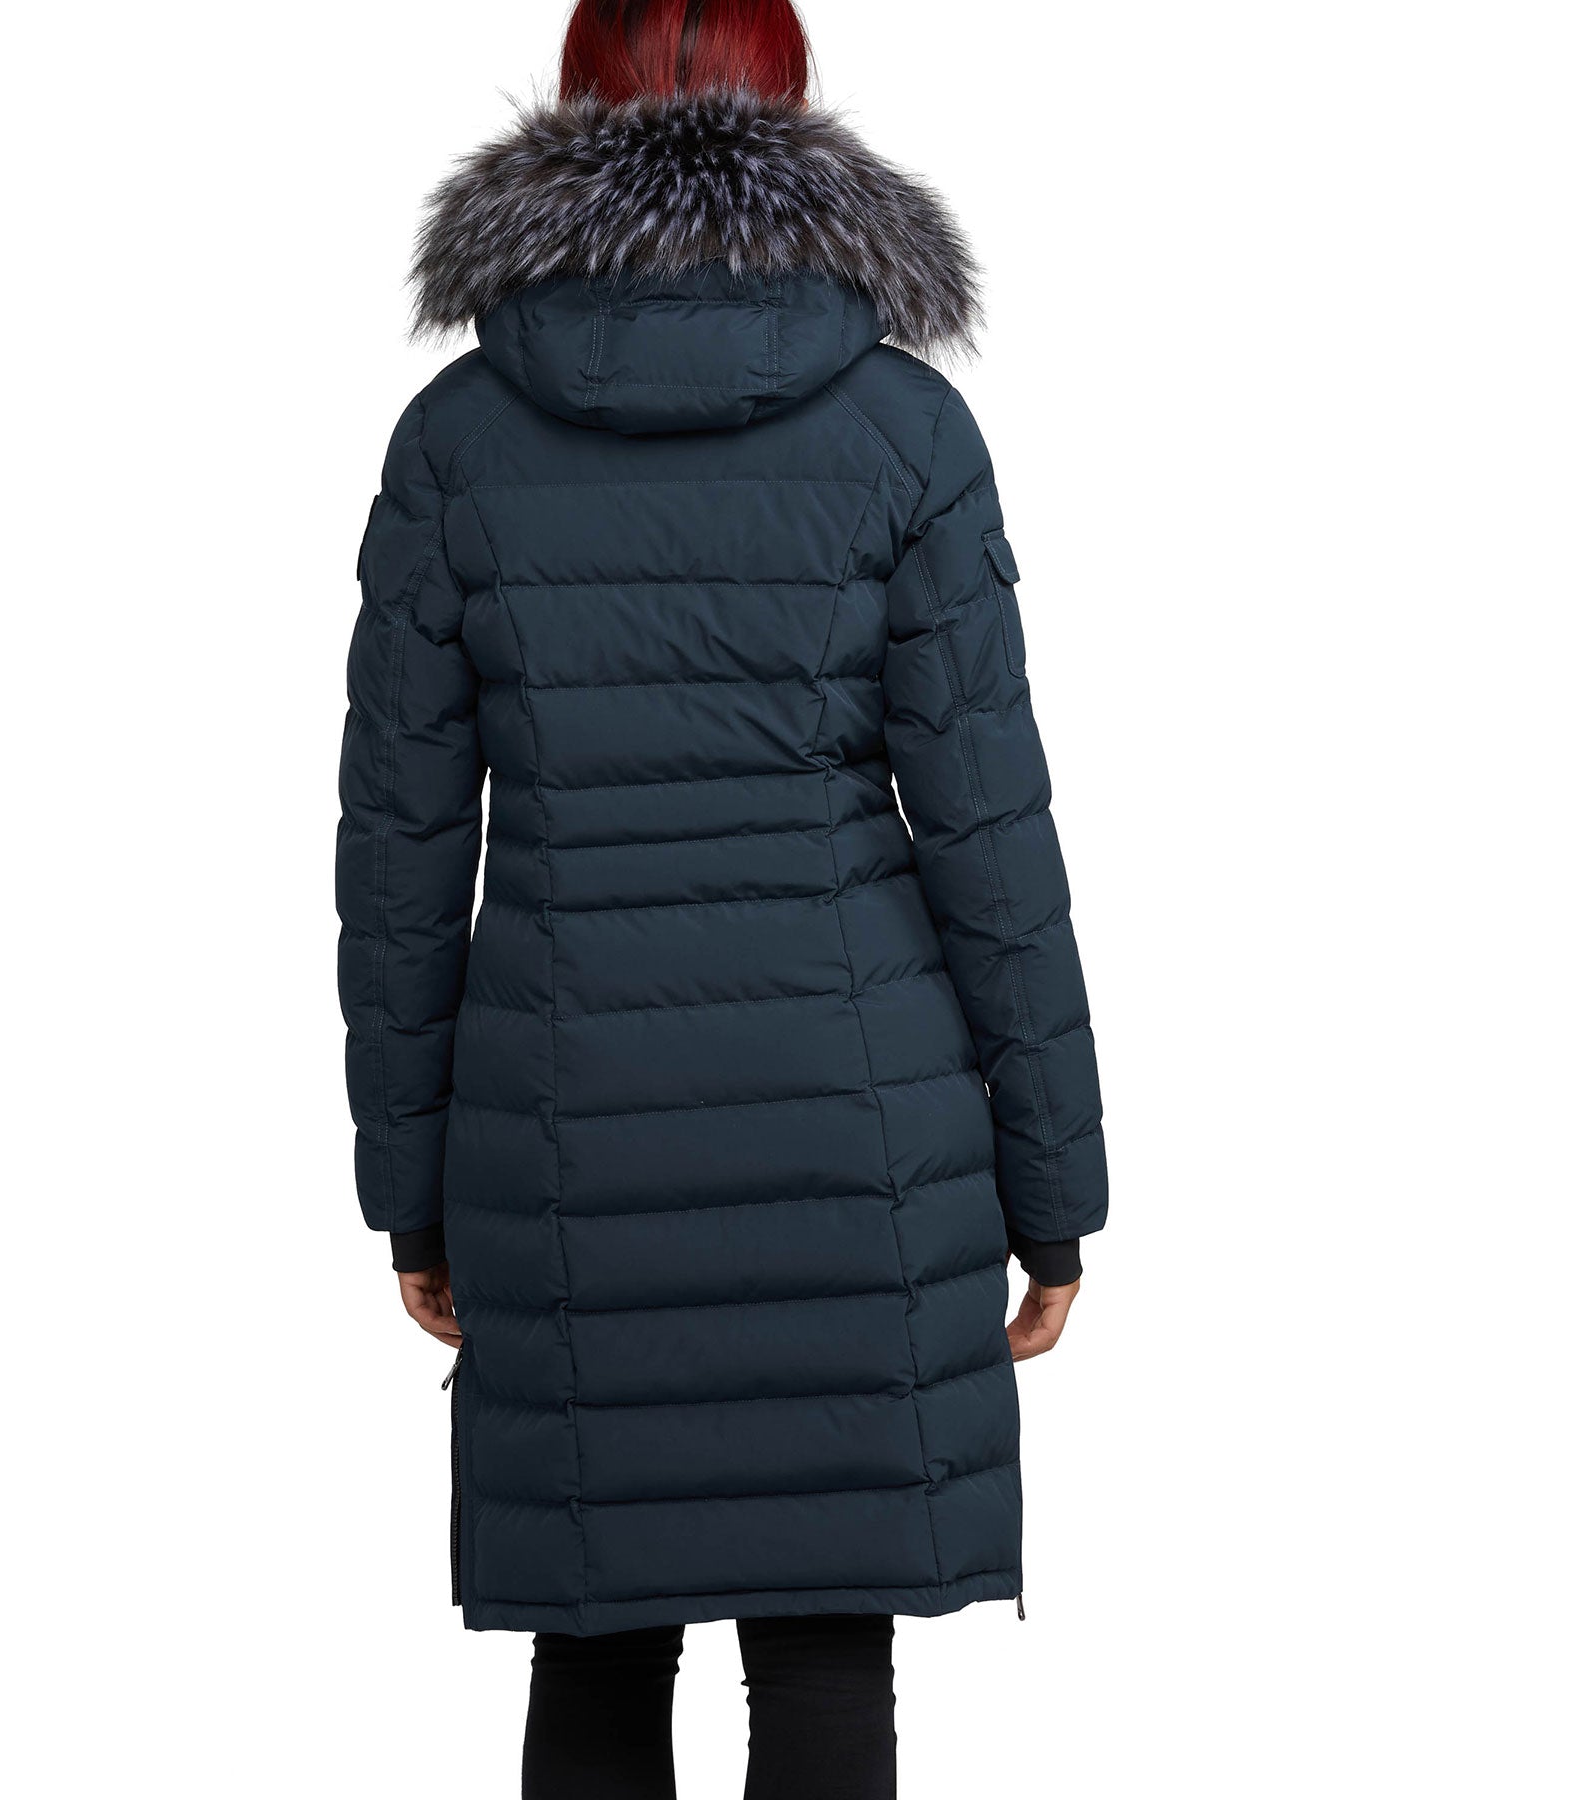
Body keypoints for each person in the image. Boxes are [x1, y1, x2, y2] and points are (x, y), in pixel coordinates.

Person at [336, 3, 1108, 1793]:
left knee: (595, 1646)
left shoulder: (458, 441)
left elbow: (398, 857)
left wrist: (412, 1193)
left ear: (567, 113)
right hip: (861, 1129)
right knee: (827, 1649)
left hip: (559, 1128)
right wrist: (1055, 1197)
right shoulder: (905, 431)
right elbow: (994, 842)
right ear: (797, 111)